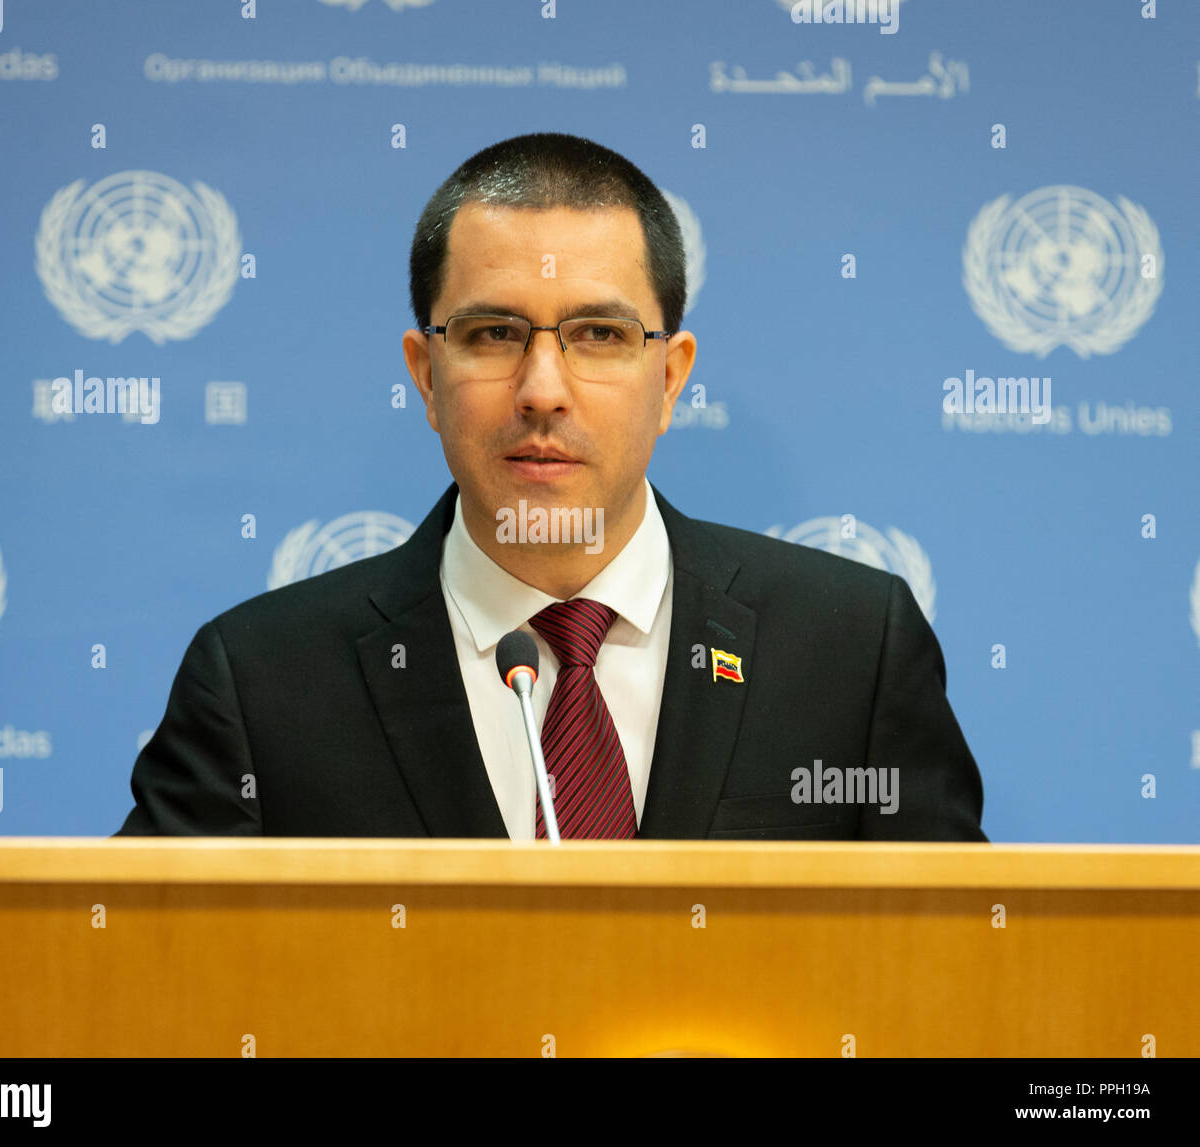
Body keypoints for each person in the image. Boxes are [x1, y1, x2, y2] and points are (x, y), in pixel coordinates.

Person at [115, 132, 985, 841]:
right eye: (494, 332)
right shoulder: (263, 683)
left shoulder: (851, 653)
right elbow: (140, 990)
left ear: (672, 378)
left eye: (598, 334)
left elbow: (961, 979)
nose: (543, 388)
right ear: (425, 373)